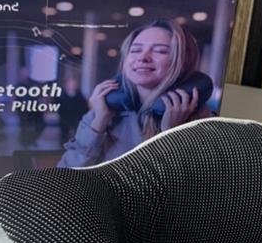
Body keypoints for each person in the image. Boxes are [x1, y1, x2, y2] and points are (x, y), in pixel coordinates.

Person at [57, 19, 213, 168]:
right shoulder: (101, 113)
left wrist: (171, 136)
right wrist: (99, 123)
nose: (143, 57)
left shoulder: (202, 123)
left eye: (160, 51)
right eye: (135, 50)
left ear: (183, 63)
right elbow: (65, 175)